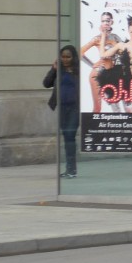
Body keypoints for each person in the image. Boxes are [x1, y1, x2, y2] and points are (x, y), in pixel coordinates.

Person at [44, 45, 81, 178]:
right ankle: (69, 169)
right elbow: (46, 83)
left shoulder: (78, 71)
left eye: (68, 57)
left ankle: (72, 169)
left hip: (75, 108)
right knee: (66, 137)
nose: (65, 59)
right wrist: (53, 69)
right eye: (63, 56)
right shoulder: (58, 70)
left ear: (73, 57)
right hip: (63, 108)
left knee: (70, 136)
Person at [80, 11, 120, 114]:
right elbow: (79, 52)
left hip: (111, 74)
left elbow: (123, 52)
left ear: (112, 22)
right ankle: (93, 129)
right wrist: (92, 64)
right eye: (103, 21)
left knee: (116, 107)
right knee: (97, 108)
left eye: (107, 20)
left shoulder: (116, 37)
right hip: (98, 74)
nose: (105, 23)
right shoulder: (97, 38)